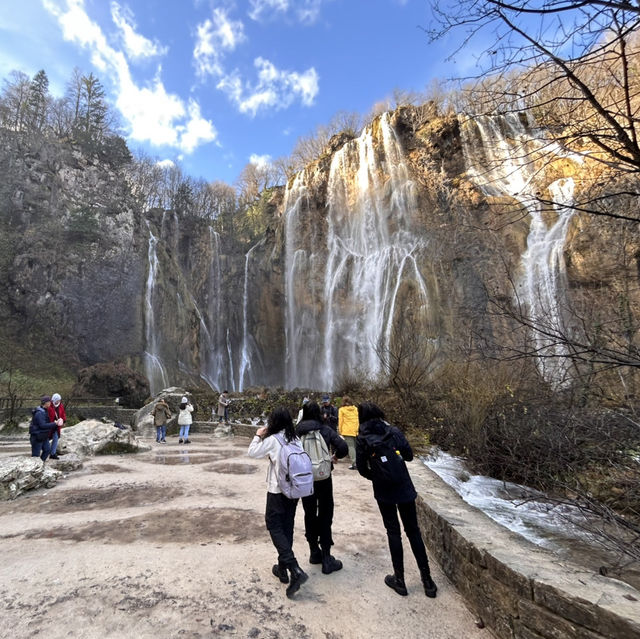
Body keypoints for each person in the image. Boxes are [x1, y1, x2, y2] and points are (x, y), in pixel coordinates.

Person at [356, 401, 438, 598]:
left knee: (393, 532)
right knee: (413, 531)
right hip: (403, 487)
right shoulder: (393, 431)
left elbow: (361, 468)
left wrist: (376, 476)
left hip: (384, 491)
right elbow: (409, 456)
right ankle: (428, 582)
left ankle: (399, 581)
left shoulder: (362, 437)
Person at [247, 407, 308, 598]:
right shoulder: (296, 438)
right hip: (294, 491)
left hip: (277, 491)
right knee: (286, 527)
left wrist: (258, 435)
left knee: (273, 525)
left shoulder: (273, 440)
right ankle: (283, 569)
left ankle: (295, 568)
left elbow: (252, 452)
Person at [296, 401, 348, 574]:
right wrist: (335, 456)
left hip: (305, 480)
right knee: (326, 513)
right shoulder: (325, 429)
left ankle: (313, 552)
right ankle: (327, 558)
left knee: (309, 513)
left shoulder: (297, 432)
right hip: (324, 478)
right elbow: (343, 447)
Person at [30, 396, 61, 461]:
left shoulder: (44, 410)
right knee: (36, 455)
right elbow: (42, 425)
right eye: (49, 402)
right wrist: (54, 424)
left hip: (44, 435)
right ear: (46, 403)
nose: (50, 403)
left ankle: (41, 464)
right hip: (37, 436)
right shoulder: (40, 413)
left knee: (47, 450)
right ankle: (36, 467)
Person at [338, 395, 359, 469]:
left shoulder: (341, 410)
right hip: (356, 430)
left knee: (351, 447)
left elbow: (341, 421)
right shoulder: (355, 409)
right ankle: (360, 462)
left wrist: (340, 431)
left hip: (347, 430)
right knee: (357, 447)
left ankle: (354, 463)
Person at [47, 393, 67, 460]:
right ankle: (46, 451)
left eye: (59, 400)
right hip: (50, 425)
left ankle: (53, 453)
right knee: (47, 439)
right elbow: (47, 416)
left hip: (57, 426)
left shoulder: (60, 405)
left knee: (55, 438)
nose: (58, 401)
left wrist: (63, 421)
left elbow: (63, 413)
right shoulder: (49, 406)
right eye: (57, 400)